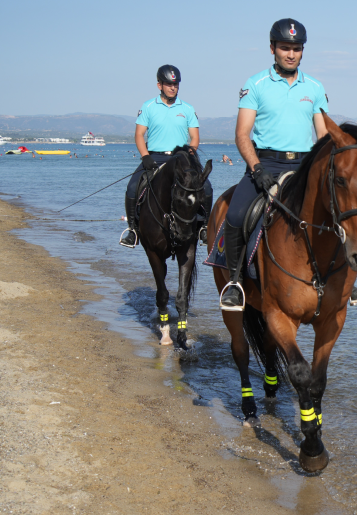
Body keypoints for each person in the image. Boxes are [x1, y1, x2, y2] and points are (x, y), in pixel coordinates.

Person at [220, 18, 336, 310]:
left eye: (296, 48)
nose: (291, 54)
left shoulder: (315, 87)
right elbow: (242, 134)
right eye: (285, 48)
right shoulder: (255, 84)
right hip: (265, 164)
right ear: (272, 48)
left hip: (303, 166)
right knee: (235, 216)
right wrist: (256, 169)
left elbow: (322, 136)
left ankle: (345, 280)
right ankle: (234, 282)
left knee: (339, 211)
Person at [120, 64, 212, 248]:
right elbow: (139, 135)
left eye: (175, 84)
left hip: (181, 159)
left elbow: (194, 137)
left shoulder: (187, 108)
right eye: (169, 84)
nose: (172, 87)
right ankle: (132, 230)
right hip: (154, 157)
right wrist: (145, 157)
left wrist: (189, 155)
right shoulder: (148, 107)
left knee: (206, 188)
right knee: (132, 188)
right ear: (159, 85)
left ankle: (204, 226)